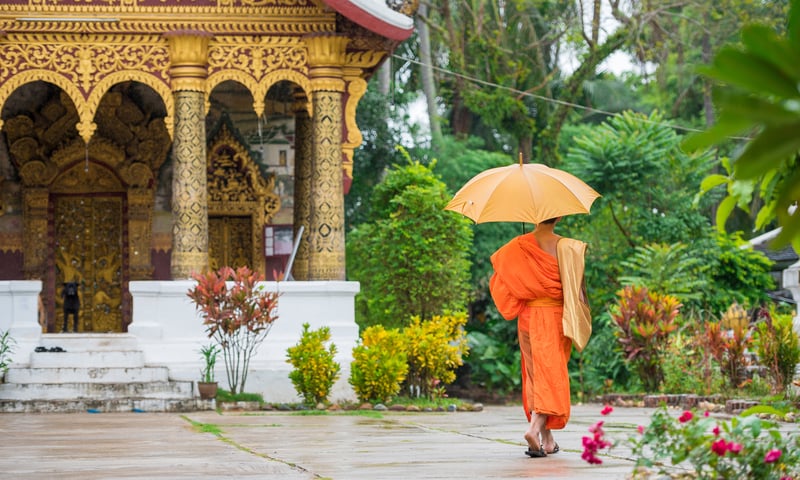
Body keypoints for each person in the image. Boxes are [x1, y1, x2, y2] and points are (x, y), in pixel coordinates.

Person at [489, 217, 589, 458]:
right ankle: (534, 428)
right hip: (555, 317)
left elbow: (501, 283)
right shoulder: (569, 247)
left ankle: (547, 440)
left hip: (528, 317)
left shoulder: (518, 245)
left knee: (536, 374)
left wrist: (526, 279)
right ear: (561, 217)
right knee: (551, 375)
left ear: (533, 218)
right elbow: (578, 289)